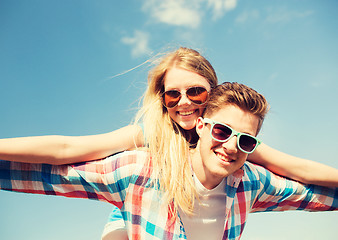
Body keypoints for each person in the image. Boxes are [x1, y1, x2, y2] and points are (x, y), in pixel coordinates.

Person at [1, 48, 338, 239]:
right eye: (173, 94)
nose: (184, 103)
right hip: (134, 211)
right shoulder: (152, 136)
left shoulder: (235, 140)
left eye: (195, 92)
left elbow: (297, 170)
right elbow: (67, 151)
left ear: (212, 93)